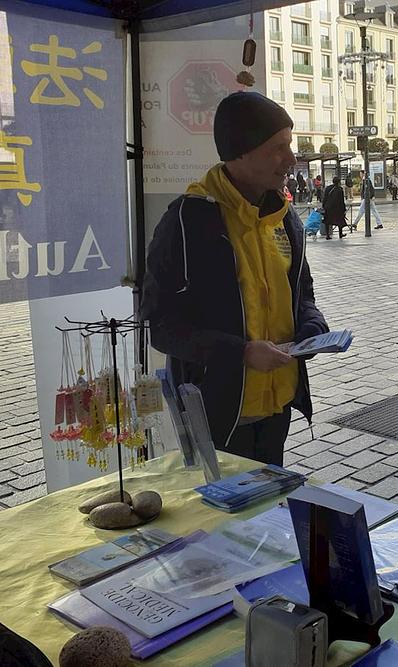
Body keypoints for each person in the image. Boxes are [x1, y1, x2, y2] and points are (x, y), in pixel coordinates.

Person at [140, 91, 329, 466]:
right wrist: (240, 353)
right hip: (218, 414)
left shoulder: (285, 218)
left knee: (270, 499)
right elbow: (160, 326)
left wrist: (312, 325)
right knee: (220, 504)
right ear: (240, 152)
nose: (291, 159)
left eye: (289, 145)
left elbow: (302, 293)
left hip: (277, 406)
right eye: (278, 148)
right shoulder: (187, 221)